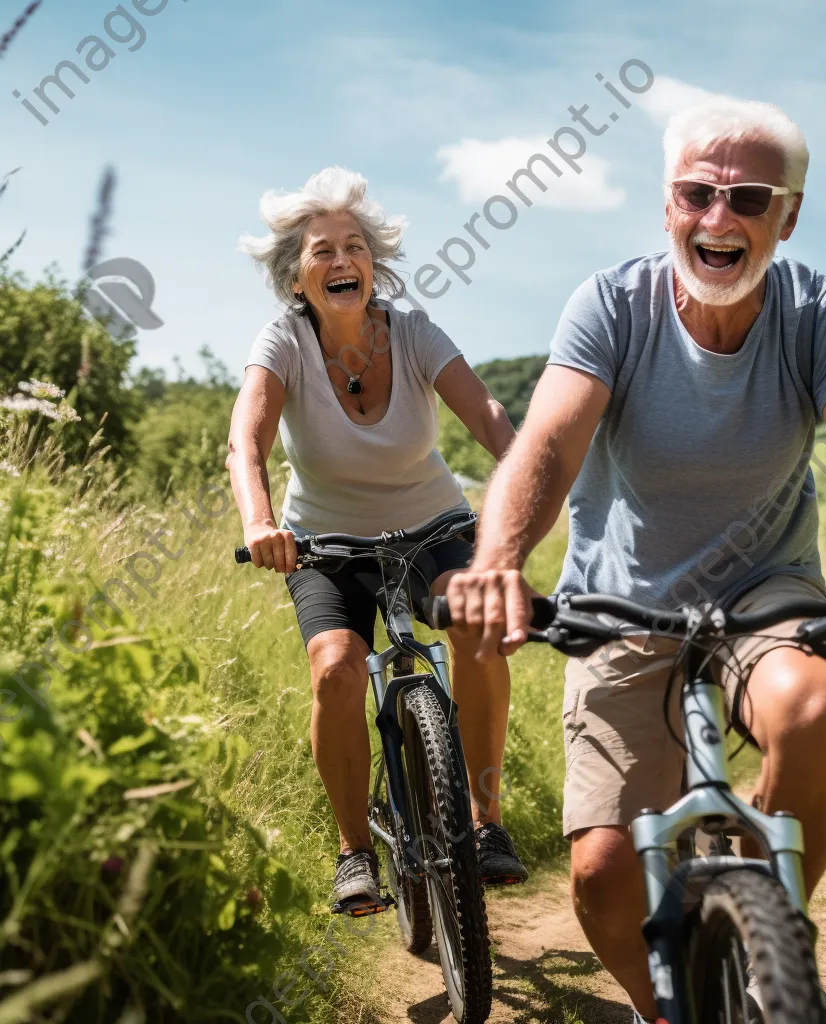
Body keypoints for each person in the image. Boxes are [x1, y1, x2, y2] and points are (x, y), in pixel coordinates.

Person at [444, 96, 826, 1023]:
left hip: (766, 594)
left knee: (811, 706)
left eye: (750, 199)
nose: (719, 220)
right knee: (603, 877)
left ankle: (770, 942)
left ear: (788, 217)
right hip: (620, 601)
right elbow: (550, 445)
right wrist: (498, 561)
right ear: (667, 203)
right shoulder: (611, 303)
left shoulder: (823, 313)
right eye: (697, 195)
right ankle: (670, 1007)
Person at [226, 166, 528, 916]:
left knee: (478, 627)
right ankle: (354, 850)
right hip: (324, 545)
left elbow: (487, 414)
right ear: (297, 275)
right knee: (335, 668)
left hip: (435, 528)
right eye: (322, 251)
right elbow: (247, 440)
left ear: (374, 263)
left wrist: (523, 478)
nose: (342, 261)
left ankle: (487, 825)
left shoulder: (415, 332)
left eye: (354, 247)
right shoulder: (284, 342)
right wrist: (260, 523)